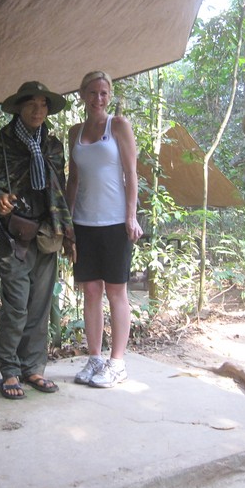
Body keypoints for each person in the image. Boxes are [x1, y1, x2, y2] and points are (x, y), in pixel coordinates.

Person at [0, 81, 75, 399]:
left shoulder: (54, 146)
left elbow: (58, 187)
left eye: (44, 105)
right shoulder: (0, 144)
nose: (38, 110)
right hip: (14, 234)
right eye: (31, 104)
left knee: (40, 305)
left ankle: (33, 368)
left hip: (47, 232)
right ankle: (9, 370)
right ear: (18, 107)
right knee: (16, 303)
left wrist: (69, 233)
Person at [66, 70, 143, 388]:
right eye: (92, 92)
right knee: (91, 291)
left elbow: (131, 172)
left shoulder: (119, 125)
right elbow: (73, 179)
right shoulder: (75, 131)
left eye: (104, 93)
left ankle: (117, 362)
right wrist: (66, 223)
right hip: (84, 222)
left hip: (114, 222)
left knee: (116, 292)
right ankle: (95, 358)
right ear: (82, 95)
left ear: (109, 96)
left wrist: (131, 216)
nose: (98, 98)